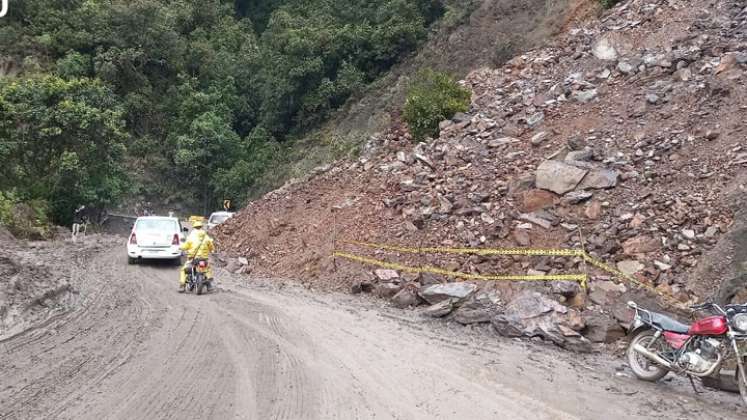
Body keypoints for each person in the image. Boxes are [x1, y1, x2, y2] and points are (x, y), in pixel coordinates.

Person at [178, 220, 215, 293]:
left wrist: (180, 247)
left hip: (193, 258)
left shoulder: (191, 236)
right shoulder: (206, 237)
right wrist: (212, 251)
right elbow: (211, 247)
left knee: (184, 270)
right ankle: (209, 285)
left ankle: (182, 286)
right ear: (201, 227)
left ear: (194, 227)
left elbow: (185, 246)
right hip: (204, 258)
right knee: (207, 269)